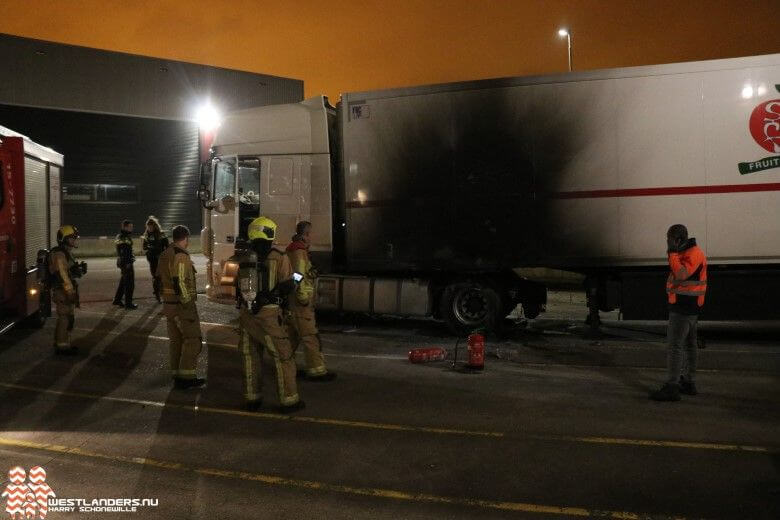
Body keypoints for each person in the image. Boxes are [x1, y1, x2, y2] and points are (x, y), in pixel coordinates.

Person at [232, 216, 305, 412]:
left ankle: (252, 399)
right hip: (269, 316)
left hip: (247, 315)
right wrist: (299, 277)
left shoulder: (245, 258)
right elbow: (288, 286)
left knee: (250, 356)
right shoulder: (278, 257)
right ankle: (289, 400)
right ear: (269, 233)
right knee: (284, 356)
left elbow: (237, 287)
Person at [650, 224, 707, 402]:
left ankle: (672, 387)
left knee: (675, 347)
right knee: (689, 346)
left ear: (677, 240)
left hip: (684, 308)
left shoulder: (693, 254)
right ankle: (689, 382)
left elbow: (681, 274)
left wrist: (672, 253)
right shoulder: (688, 252)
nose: (667, 243)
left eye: (669, 239)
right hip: (687, 307)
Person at [286, 221, 336, 381]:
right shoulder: (299, 252)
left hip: (294, 303)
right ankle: (317, 371)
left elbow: (301, 273)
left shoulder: (297, 250)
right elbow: (298, 275)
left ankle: (287, 367)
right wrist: (302, 297)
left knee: (292, 337)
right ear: (305, 234)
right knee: (310, 336)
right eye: (310, 233)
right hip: (301, 304)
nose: (312, 237)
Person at [157, 225, 205, 389]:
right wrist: (187, 303)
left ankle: (177, 374)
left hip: (169, 304)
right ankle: (187, 378)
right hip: (180, 306)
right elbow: (180, 282)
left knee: (176, 341)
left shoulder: (166, 254)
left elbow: (159, 280)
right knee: (193, 340)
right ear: (185, 238)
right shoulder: (181, 255)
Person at [48, 225, 86, 355]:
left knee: (68, 317)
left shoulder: (65, 252)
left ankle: (62, 342)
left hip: (64, 289)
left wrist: (78, 270)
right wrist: (70, 292)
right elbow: (62, 274)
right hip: (62, 291)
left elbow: (68, 272)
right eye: (72, 238)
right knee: (64, 318)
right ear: (64, 239)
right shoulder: (59, 254)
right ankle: (62, 346)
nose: (75, 240)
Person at [142, 216, 169, 303]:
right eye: (148, 227)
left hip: (161, 259)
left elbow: (167, 246)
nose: (149, 228)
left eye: (150, 227)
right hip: (152, 259)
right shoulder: (146, 236)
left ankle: (160, 292)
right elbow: (144, 246)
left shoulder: (162, 234)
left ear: (155, 226)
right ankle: (157, 293)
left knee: (161, 276)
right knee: (155, 276)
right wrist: (149, 248)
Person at [113, 220, 137, 309]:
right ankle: (128, 304)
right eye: (130, 227)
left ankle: (117, 299)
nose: (132, 228)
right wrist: (128, 263)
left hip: (123, 262)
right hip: (126, 263)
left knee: (123, 282)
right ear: (125, 227)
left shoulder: (120, 236)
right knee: (129, 284)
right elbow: (124, 252)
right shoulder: (124, 238)